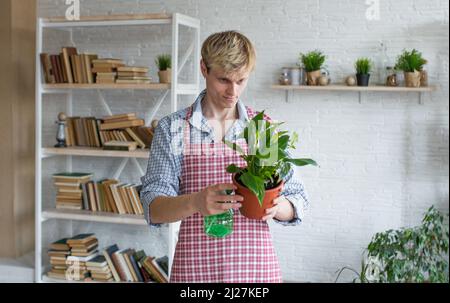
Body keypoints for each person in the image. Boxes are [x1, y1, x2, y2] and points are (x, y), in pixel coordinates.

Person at [140, 30, 309, 283]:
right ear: (203, 69)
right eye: (223, 80)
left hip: (256, 272)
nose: (233, 91)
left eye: (241, 80)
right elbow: (153, 208)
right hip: (195, 273)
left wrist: (276, 207)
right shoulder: (173, 128)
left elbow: (298, 199)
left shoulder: (262, 128)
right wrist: (196, 202)